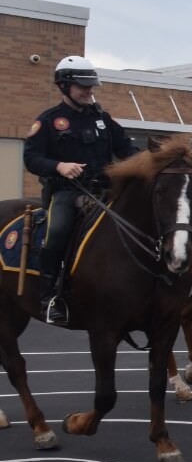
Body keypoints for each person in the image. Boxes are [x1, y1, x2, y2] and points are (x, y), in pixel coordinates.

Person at [22, 56, 138, 325]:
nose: (89, 91)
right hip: (67, 192)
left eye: (91, 86)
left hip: (104, 192)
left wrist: (143, 162)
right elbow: (31, 158)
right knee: (58, 232)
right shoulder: (49, 121)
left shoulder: (102, 118)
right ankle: (49, 297)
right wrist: (59, 166)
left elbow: (126, 149)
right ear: (64, 87)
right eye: (82, 86)